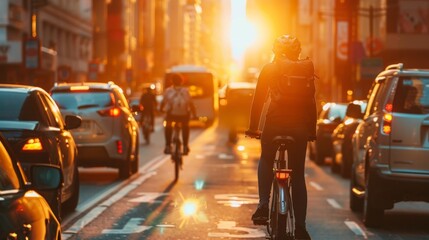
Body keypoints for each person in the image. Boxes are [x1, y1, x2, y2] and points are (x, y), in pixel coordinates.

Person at [245, 34, 317, 240]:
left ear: (275, 50)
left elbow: (258, 100)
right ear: (298, 51)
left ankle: (263, 204)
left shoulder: (269, 69)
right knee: (299, 174)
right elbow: (311, 104)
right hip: (299, 128)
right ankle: (301, 227)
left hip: (274, 124)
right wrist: (311, 130)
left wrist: (253, 128)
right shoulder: (306, 69)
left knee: (267, 158)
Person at [160, 73, 196, 155]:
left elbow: (163, 102)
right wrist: (194, 114)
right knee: (185, 127)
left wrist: (161, 110)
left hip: (171, 115)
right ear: (181, 82)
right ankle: (186, 146)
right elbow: (191, 103)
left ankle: (168, 146)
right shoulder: (186, 91)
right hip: (183, 115)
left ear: (172, 81)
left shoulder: (168, 91)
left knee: (168, 126)